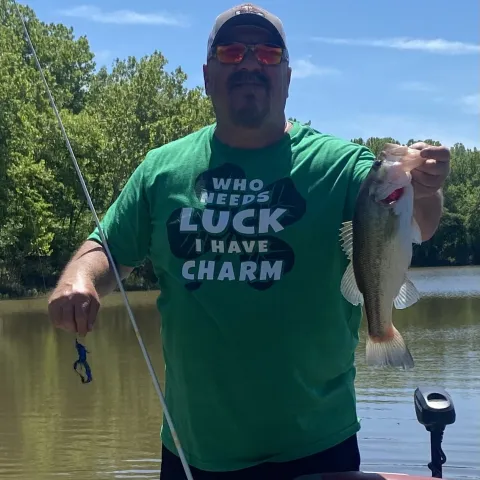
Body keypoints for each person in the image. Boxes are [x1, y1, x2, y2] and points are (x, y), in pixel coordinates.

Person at [47, 3, 451, 480]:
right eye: (232, 52)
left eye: (268, 53)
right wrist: (79, 278)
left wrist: (427, 188)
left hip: (316, 446)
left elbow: (418, 223)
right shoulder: (161, 170)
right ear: (207, 76)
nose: (251, 63)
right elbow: (107, 247)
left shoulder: (340, 165)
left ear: (287, 76)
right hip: (192, 452)